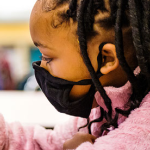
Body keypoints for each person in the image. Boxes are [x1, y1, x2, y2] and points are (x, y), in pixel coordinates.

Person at [0, 0, 150, 149]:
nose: (41, 67)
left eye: (47, 57)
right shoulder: (104, 109)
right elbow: (50, 143)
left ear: (106, 59)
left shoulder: (144, 130)